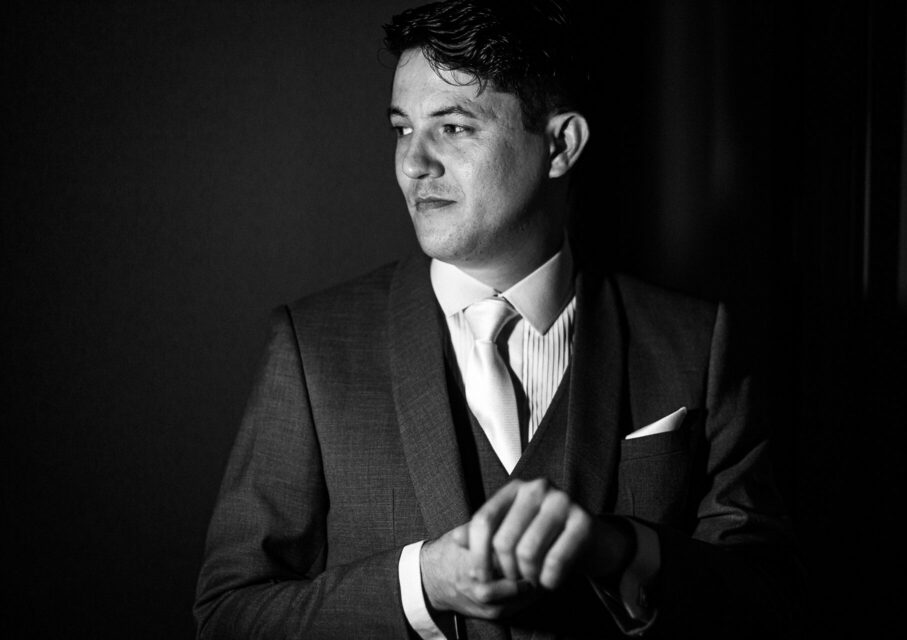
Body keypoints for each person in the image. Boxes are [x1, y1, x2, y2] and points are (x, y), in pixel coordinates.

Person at [194, 1, 803, 638]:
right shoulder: (313, 346)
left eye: (454, 127)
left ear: (560, 145)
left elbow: (773, 603)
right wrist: (422, 586)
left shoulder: (695, 342)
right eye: (403, 128)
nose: (414, 163)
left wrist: (626, 550)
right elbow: (228, 615)